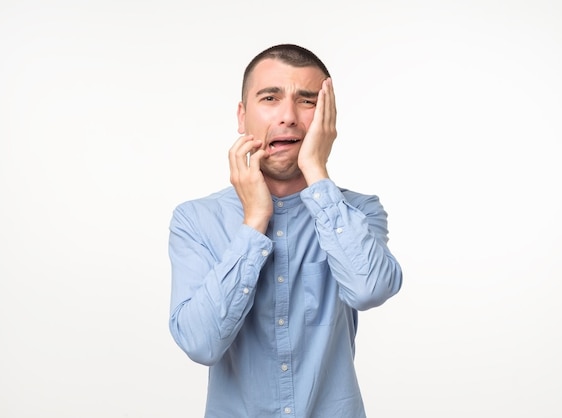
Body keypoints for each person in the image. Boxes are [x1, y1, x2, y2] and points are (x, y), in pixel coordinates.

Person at [168, 43, 403, 418]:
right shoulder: (195, 220)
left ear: (328, 118)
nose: (288, 116)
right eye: (270, 98)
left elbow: (369, 289)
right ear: (242, 116)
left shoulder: (357, 211)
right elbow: (201, 344)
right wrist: (254, 221)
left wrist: (316, 171)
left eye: (307, 101)